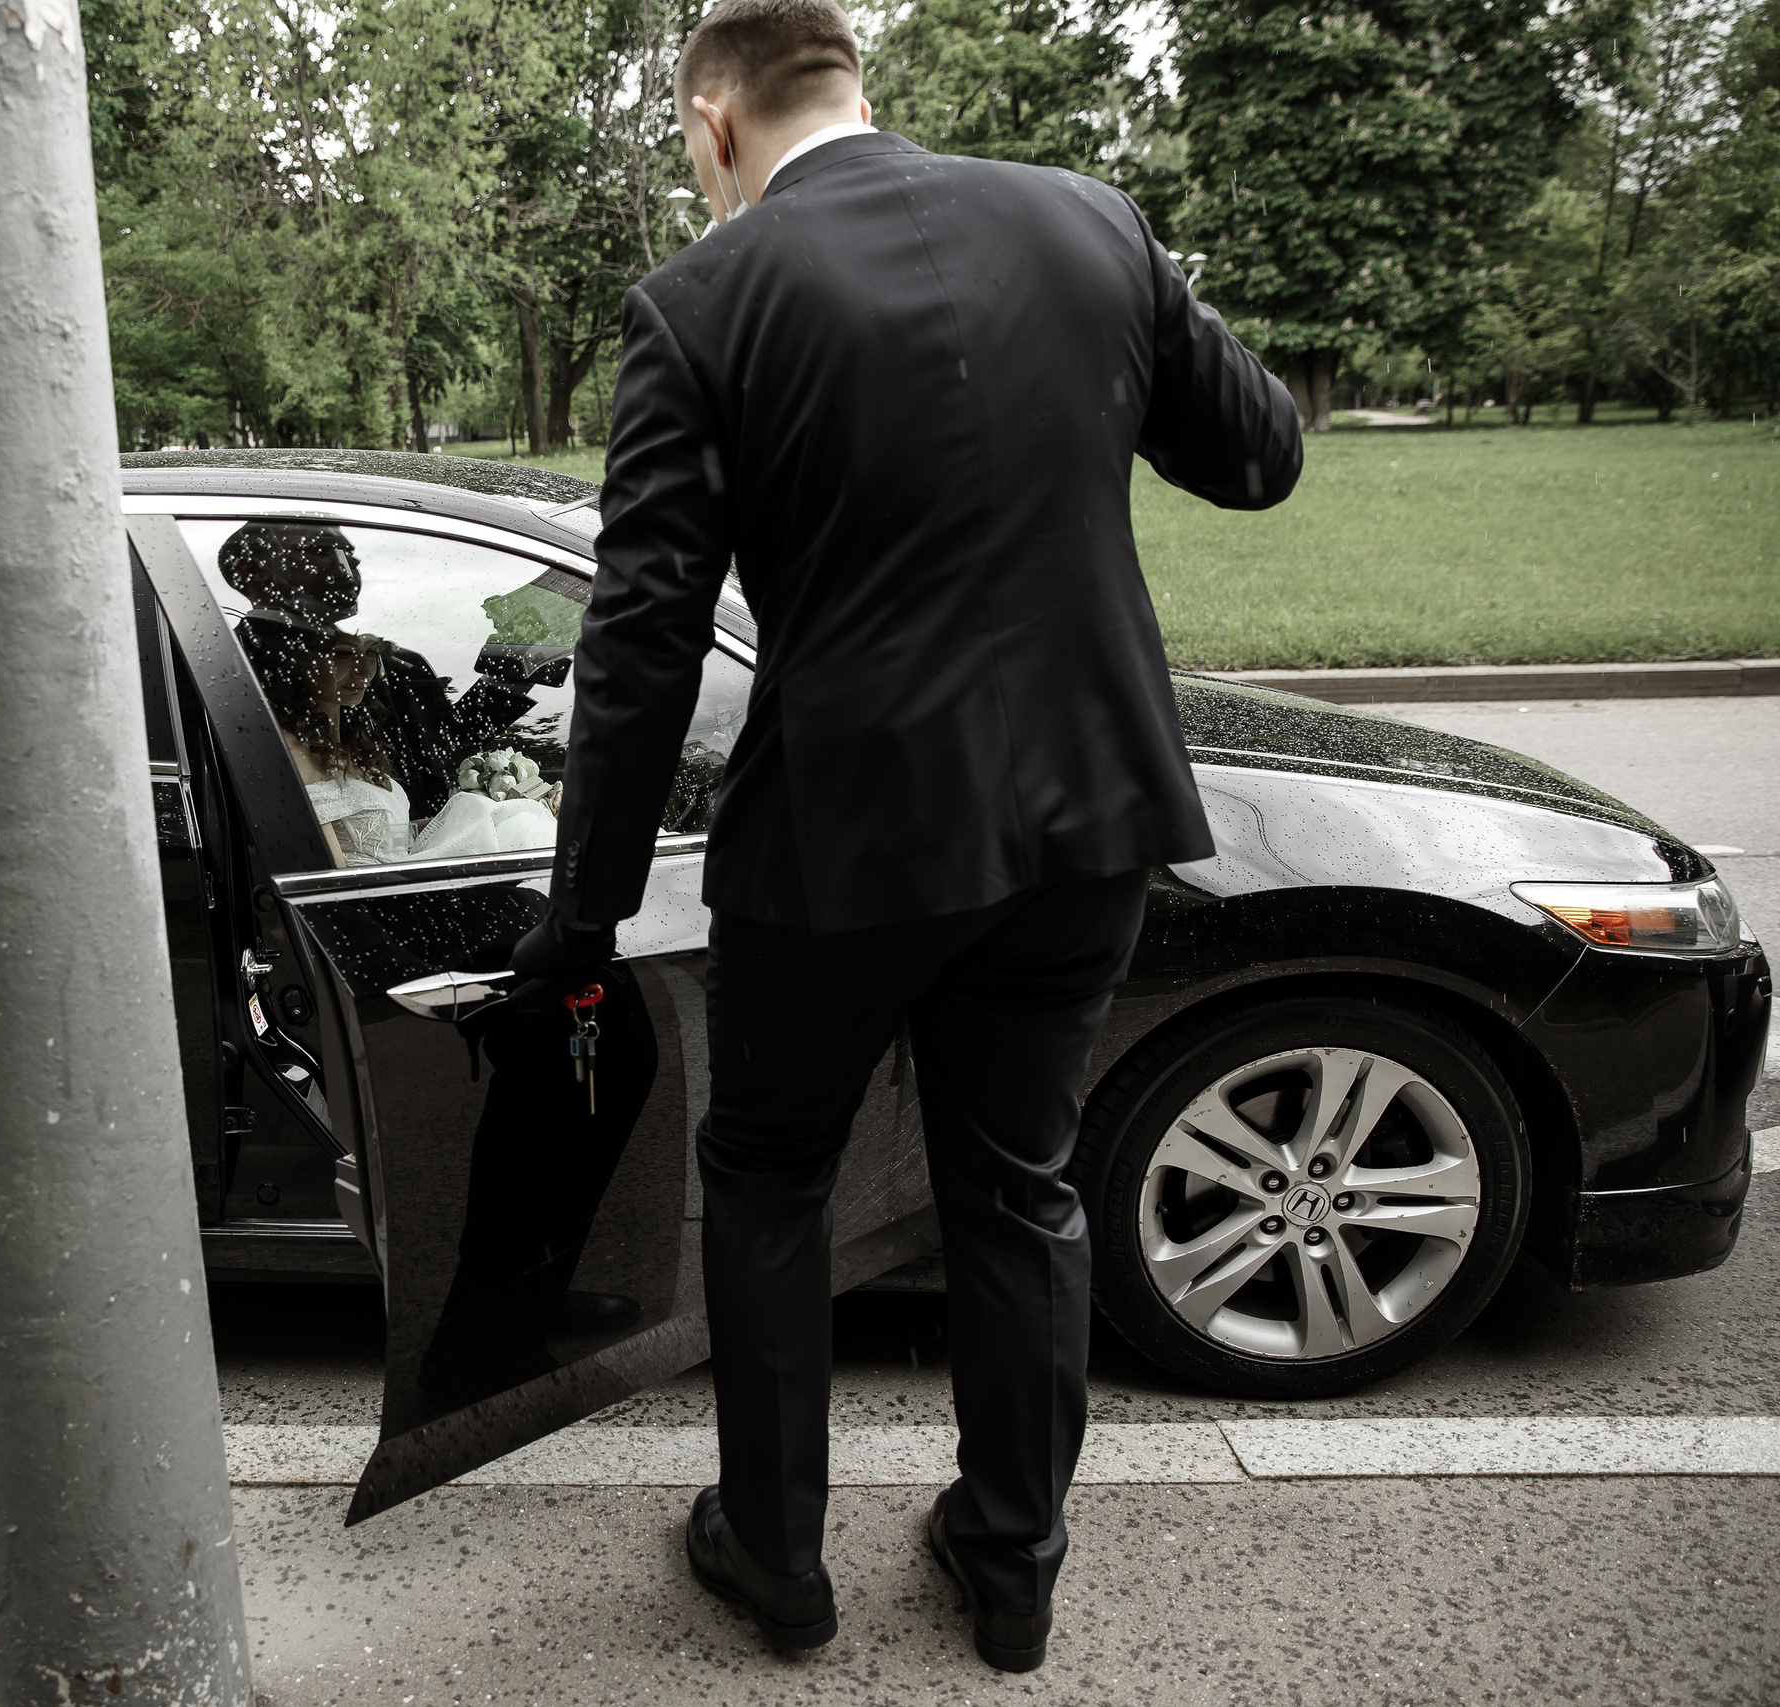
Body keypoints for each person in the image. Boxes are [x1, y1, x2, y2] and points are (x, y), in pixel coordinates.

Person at [508, 0, 1301, 1672]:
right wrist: (1137, 296)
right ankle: (1010, 1565)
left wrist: (580, 922)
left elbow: (643, 637)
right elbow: (1260, 455)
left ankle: (777, 1559)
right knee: (1017, 1184)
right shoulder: (1090, 222)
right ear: (855, 88)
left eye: (687, 146)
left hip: (844, 847)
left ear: (714, 124)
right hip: (1087, 817)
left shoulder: (703, 301)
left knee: (772, 1173)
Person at [217, 522, 562, 865]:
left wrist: (490, 812)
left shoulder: (379, 677)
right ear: (253, 569)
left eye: (351, 555)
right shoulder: (234, 665)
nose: (349, 566)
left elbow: (440, 743)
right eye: (324, 551)